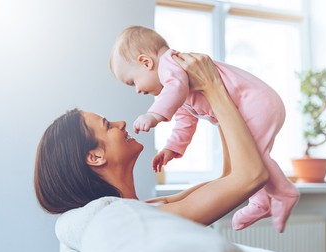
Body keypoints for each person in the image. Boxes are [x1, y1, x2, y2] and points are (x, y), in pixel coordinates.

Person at [109, 25, 299, 233]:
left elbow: (175, 89)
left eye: (132, 82)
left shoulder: (170, 63)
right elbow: (185, 120)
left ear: (146, 62)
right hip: (252, 105)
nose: (137, 90)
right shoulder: (177, 87)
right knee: (251, 155)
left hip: (257, 103)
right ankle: (265, 199)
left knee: (253, 155)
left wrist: (153, 114)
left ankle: (278, 195)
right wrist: (172, 148)